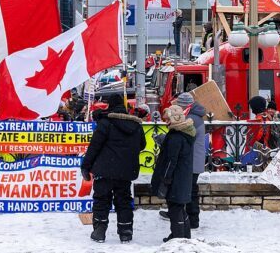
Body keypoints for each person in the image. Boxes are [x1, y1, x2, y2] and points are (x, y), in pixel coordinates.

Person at [81, 94, 146, 244]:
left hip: (105, 170)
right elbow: (141, 145)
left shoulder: (105, 123)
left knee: (101, 200)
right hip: (125, 171)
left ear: (109, 105)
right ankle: (125, 232)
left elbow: (94, 147)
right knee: (123, 201)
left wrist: (86, 166)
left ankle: (99, 231)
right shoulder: (135, 125)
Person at [159, 93, 205, 229]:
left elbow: (183, 140)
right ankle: (181, 215)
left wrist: (164, 139)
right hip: (192, 158)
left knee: (189, 190)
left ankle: (192, 218)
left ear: (184, 105)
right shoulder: (194, 115)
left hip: (191, 160)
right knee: (188, 189)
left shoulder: (192, 118)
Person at [151, 105, 196, 242]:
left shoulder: (176, 137)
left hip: (176, 178)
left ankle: (178, 238)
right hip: (182, 176)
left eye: (167, 119)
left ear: (174, 119)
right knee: (179, 207)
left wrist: (165, 178)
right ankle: (184, 235)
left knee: (175, 208)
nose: (166, 122)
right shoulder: (183, 134)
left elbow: (171, 161)